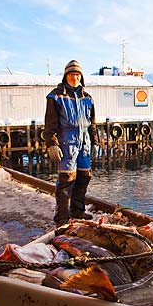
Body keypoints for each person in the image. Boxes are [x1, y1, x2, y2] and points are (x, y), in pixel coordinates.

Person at [43, 60, 99, 227]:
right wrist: (52, 143)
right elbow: (50, 123)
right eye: (71, 74)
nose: (74, 77)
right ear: (65, 76)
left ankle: (78, 210)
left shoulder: (88, 98)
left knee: (84, 177)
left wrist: (94, 142)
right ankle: (62, 218)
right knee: (66, 180)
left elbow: (92, 123)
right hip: (67, 143)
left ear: (81, 77)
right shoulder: (55, 96)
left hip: (85, 144)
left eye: (77, 74)